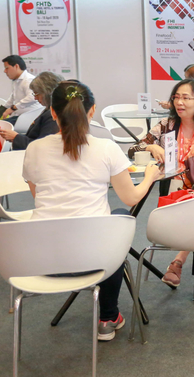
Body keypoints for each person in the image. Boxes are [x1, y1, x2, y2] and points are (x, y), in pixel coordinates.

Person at [22, 81, 164, 341]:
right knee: (118, 219)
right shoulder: (105, 148)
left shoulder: (34, 148)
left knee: (106, 227)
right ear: (92, 110)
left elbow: (37, 196)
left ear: (52, 112)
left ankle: (109, 315)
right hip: (93, 259)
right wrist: (150, 177)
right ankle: (107, 318)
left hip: (43, 260)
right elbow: (131, 197)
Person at [129, 78, 194, 308]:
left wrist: (193, 194)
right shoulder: (167, 125)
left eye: (186, 98)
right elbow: (133, 149)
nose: (179, 102)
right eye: (176, 97)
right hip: (171, 196)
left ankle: (191, 271)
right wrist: (151, 146)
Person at [0, 71, 63, 150]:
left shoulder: (53, 115)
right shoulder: (49, 110)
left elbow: (42, 147)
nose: (35, 98)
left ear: (47, 92)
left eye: (36, 94)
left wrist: (15, 137)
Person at [1, 55, 43, 124]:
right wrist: (2, 110)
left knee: (3, 125)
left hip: (30, 117)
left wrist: (13, 108)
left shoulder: (29, 80)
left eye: (7, 68)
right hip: (20, 116)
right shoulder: (17, 80)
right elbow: (12, 98)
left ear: (16, 66)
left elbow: (32, 97)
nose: (5, 71)